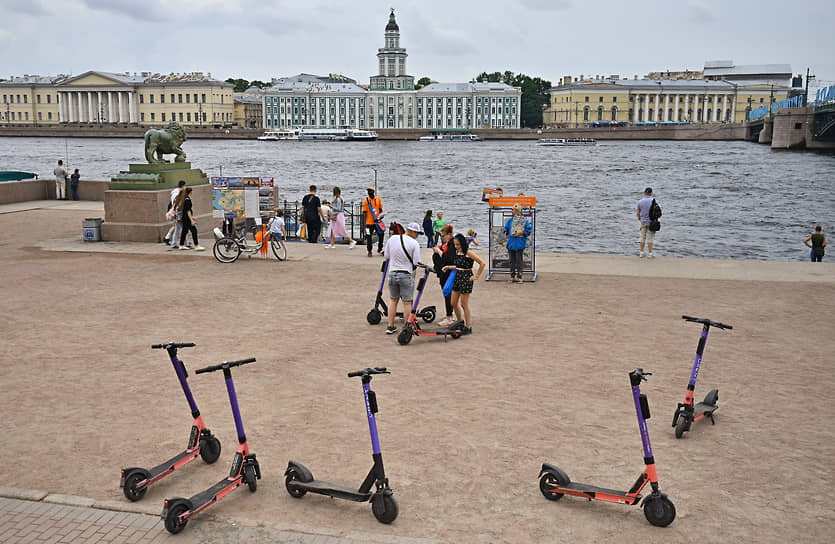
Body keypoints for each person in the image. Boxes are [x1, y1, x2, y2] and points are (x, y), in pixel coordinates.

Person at [383, 222, 422, 334]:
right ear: (413, 232)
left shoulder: (392, 239)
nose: (417, 236)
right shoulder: (414, 243)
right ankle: (407, 327)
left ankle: (390, 326)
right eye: (417, 233)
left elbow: (387, 256)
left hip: (392, 273)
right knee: (407, 302)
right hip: (406, 274)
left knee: (393, 300)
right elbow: (416, 262)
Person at [442, 233, 485, 335]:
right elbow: (458, 266)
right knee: (453, 302)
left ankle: (468, 326)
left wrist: (476, 276)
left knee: (464, 304)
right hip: (458, 276)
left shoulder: (468, 252)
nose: (456, 246)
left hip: (466, 277)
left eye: (458, 244)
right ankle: (459, 322)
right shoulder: (458, 252)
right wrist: (448, 267)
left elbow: (482, 263)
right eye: (455, 244)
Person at [432, 224, 456, 326]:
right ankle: (449, 314)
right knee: (446, 293)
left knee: (448, 293)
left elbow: (448, 258)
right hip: (442, 272)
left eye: (443, 236)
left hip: (449, 272)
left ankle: (450, 317)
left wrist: (439, 251)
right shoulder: (446, 244)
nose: (442, 238)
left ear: (449, 235)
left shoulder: (452, 244)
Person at [502, 204, 531, 283]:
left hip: (519, 243)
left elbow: (528, 231)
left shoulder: (524, 220)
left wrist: (521, 233)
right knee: (511, 261)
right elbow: (506, 228)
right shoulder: (510, 220)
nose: (512, 211)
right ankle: (512, 276)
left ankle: (519, 276)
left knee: (519, 261)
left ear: (517, 211)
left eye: (513, 210)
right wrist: (505, 233)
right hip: (511, 243)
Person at [636, 187, 660, 258]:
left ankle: (641, 252)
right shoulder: (654, 201)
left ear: (644, 193)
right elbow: (660, 209)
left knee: (642, 237)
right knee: (650, 238)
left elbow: (638, 213)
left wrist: (639, 218)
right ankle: (650, 254)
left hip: (643, 221)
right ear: (651, 193)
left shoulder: (640, 201)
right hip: (651, 222)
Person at [362, 186, 384, 257]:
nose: (369, 193)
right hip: (369, 222)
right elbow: (364, 212)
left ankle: (380, 248)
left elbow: (380, 209)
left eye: (370, 191)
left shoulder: (378, 199)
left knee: (381, 235)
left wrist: (381, 215)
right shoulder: (366, 201)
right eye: (368, 191)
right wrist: (364, 223)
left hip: (377, 221)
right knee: (369, 237)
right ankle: (369, 251)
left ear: (373, 192)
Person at [165, 181, 186, 246]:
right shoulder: (177, 193)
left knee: (176, 226)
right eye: (185, 186)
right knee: (181, 227)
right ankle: (185, 243)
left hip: (174, 210)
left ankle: (167, 238)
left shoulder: (175, 192)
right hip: (176, 212)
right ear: (182, 186)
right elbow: (177, 203)